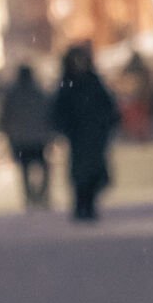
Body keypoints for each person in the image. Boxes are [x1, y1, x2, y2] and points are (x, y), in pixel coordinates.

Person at [49, 44, 119, 223]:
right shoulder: (69, 84)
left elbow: (108, 107)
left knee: (94, 172)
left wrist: (105, 124)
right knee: (80, 173)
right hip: (79, 136)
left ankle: (89, 204)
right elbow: (59, 110)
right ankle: (82, 205)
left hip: (94, 135)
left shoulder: (93, 82)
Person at [0, 63, 53, 208]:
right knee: (44, 167)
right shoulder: (39, 92)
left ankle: (30, 196)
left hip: (20, 139)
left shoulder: (13, 94)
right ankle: (42, 195)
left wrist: (8, 132)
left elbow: (5, 116)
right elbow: (48, 113)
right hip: (38, 138)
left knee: (25, 169)